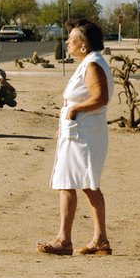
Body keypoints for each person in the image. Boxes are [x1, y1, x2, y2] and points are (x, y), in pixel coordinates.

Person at [41, 18, 112, 256]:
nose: (67, 42)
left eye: (71, 39)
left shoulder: (93, 65)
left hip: (84, 135)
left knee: (84, 183)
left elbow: (100, 98)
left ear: (83, 45)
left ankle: (71, 240)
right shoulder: (89, 63)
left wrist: (74, 110)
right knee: (70, 182)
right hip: (78, 133)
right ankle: (87, 239)